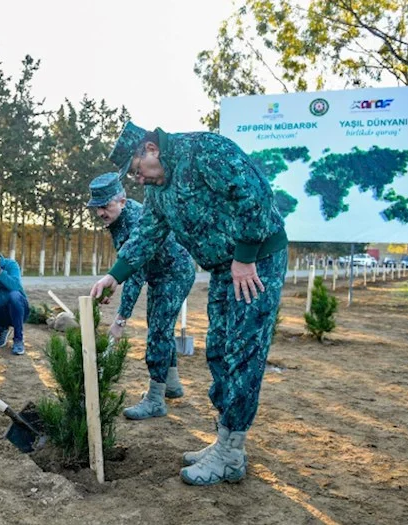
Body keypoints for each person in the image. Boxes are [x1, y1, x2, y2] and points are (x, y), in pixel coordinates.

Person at [90, 121, 288, 486]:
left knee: (242, 353)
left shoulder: (204, 151)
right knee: (218, 350)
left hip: (256, 263)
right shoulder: (159, 193)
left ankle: (230, 455)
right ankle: (227, 443)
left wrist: (245, 257)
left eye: (136, 171)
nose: (140, 181)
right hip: (224, 269)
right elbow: (147, 234)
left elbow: (254, 194)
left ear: (151, 149)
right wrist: (113, 275)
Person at [87, 173, 195, 420]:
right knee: (161, 327)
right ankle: (172, 385)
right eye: (97, 208)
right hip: (161, 272)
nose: (101, 212)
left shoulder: (134, 219)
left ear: (122, 201)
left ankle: (156, 400)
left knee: (157, 331)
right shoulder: (117, 220)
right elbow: (128, 265)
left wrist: (120, 321)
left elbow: (136, 272)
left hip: (173, 271)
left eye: (106, 206)